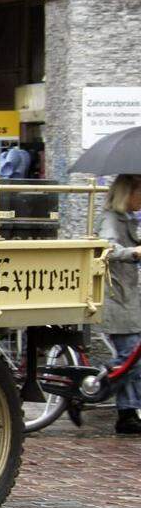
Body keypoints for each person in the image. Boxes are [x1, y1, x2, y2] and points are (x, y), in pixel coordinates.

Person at [97, 173, 141, 434]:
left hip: (127, 297)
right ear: (129, 193)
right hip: (116, 298)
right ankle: (95, 387)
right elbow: (108, 248)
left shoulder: (126, 219)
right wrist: (133, 252)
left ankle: (127, 413)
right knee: (130, 359)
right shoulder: (112, 219)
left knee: (133, 356)